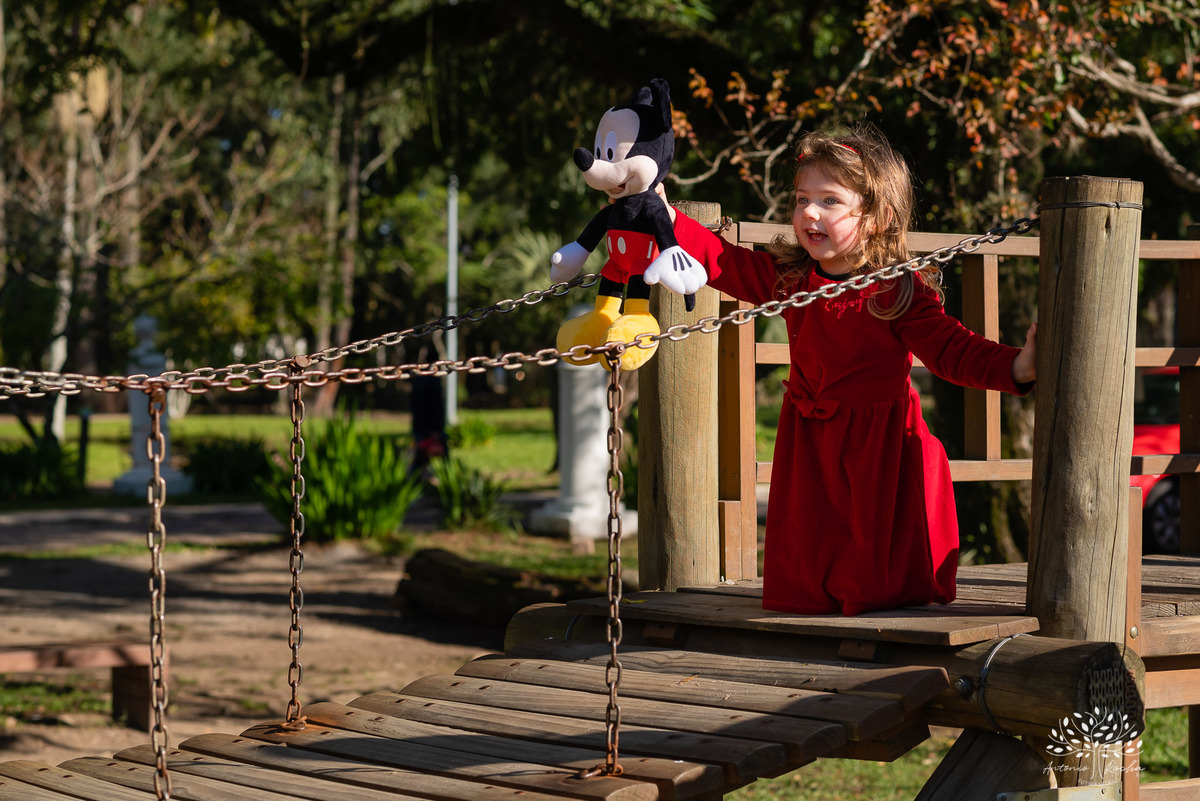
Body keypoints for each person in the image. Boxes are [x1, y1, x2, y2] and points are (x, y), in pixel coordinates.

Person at [652, 126, 1037, 616]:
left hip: (874, 443)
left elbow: (951, 350)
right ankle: (809, 606)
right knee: (811, 536)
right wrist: (665, 217)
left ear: (877, 218)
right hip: (809, 436)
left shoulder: (895, 292)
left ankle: (871, 620)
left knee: (867, 546)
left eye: (830, 201)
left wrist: (1016, 366)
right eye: (801, 199)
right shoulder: (792, 279)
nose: (809, 213)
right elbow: (724, 262)